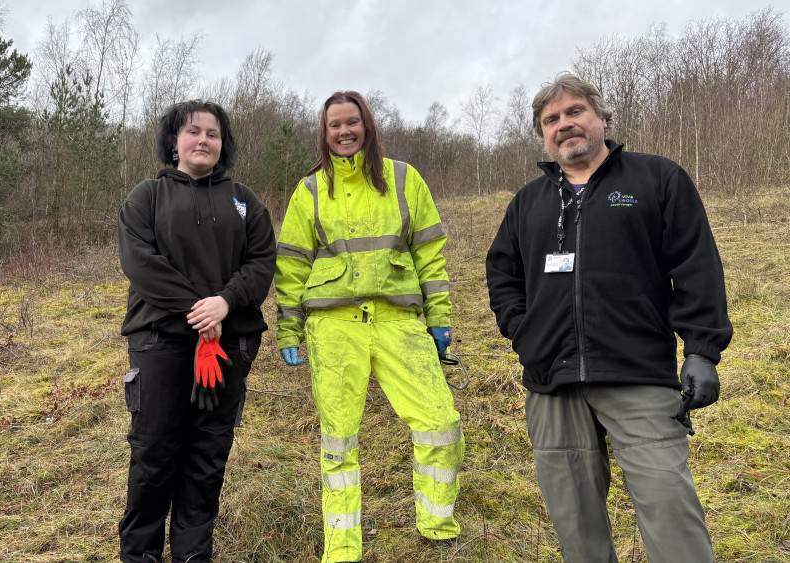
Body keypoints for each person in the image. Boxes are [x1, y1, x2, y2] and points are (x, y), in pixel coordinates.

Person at [485, 72, 733, 562]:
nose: (564, 124)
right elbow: (502, 275)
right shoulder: (528, 202)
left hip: (637, 373)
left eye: (574, 111)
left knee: (669, 508)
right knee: (576, 525)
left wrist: (702, 351)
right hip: (551, 383)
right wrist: (524, 332)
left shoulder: (656, 179)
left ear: (601, 118)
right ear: (542, 134)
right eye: (551, 119)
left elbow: (697, 267)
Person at [274, 90, 465, 563]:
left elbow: (430, 254)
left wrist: (439, 318)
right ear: (324, 132)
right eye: (334, 124)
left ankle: (437, 526)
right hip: (334, 327)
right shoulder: (311, 190)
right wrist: (289, 328)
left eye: (352, 122)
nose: (344, 131)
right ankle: (341, 547)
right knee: (338, 441)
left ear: (368, 125)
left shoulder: (404, 179)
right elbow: (293, 265)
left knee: (441, 424)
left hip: (399, 321)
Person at [116, 100, 276, 563]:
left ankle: (192, 554)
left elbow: (262, 261)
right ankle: (140, 554)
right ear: (174, 142)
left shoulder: (246, 202)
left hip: (229, 346)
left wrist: (226, 301)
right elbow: (140, 263)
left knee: (207, 457)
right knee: (154, 453)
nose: (203, 140)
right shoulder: (146, 197)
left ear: (223, 144)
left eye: (212, 133)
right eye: (192, 132)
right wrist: (199, 310)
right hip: (160, 342)